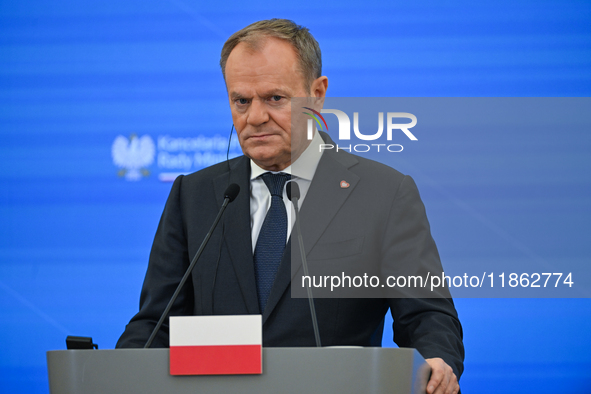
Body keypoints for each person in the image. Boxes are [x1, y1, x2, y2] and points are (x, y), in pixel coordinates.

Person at [117, 19, 464, 394]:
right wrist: (114, 375)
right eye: (242, 100)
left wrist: (437, 361)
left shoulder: (383, 192)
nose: (255, 117)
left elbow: (427, 315)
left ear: (317, 94)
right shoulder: (195, 195)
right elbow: (157, 326)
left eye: (275, 98)